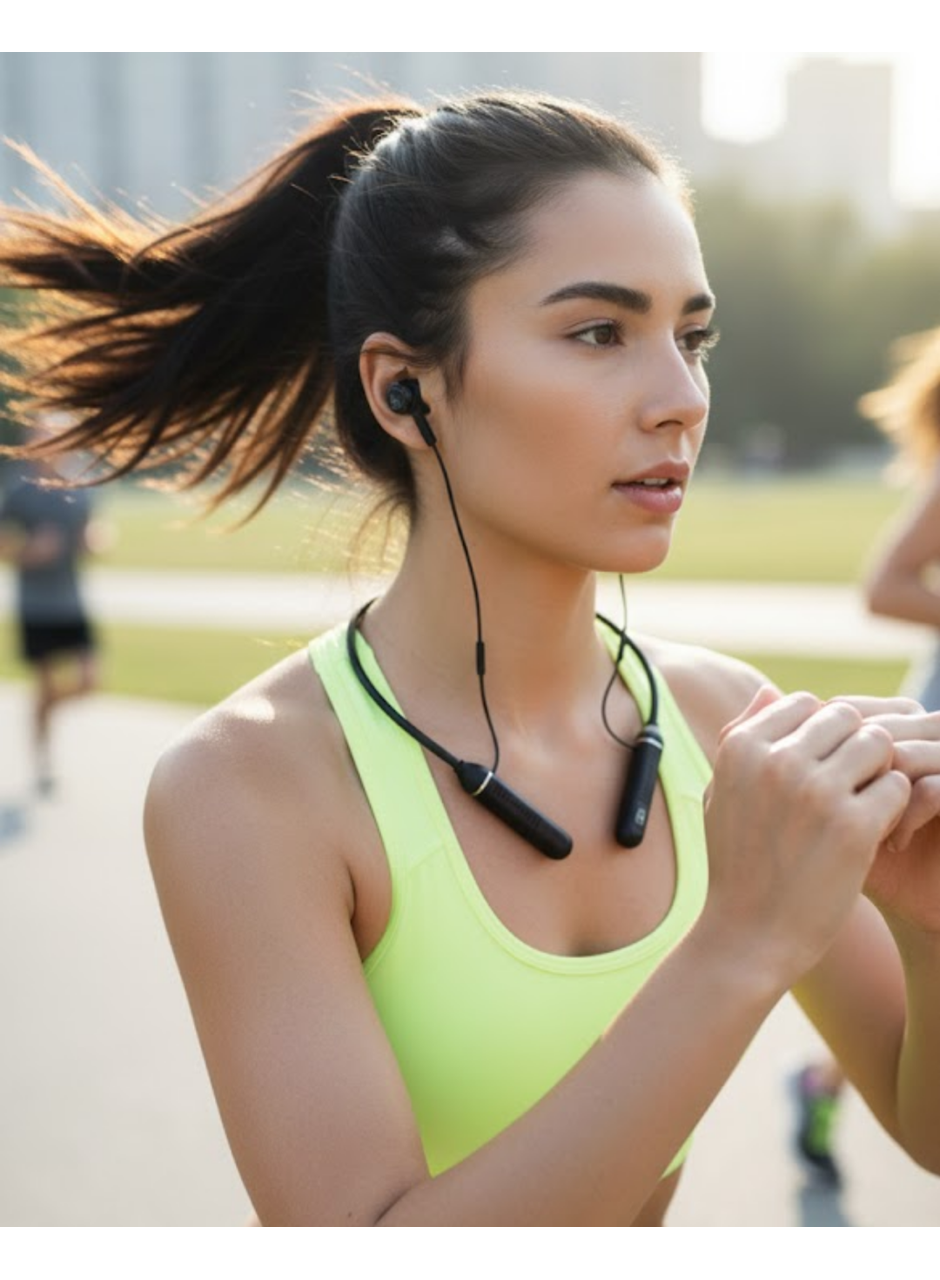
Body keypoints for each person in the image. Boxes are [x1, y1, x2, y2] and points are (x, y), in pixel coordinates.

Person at [1, 88, 939, 1229]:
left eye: (689, 336)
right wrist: (735, 947)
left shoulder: (723, 721)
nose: (681, 398)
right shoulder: (247, 787)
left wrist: (925, 926)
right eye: (599, 331)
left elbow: (920, 1119)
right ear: (405, 389)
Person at [0, 426, 105, 794]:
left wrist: (96, 540)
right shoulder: (19, 490)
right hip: (35, 606)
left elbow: (95, 531)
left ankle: (42, 710)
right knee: (44, 682)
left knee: (91, 682)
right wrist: (28, 552)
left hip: (72, 601)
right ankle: (43, 759)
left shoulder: (81, 487)